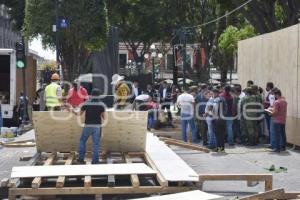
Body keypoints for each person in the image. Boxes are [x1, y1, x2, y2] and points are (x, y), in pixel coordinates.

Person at [76, 88, 106, 164]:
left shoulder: (86, 103)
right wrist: (102, 131)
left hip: (87, 126)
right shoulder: (101, 104)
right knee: (96, 144)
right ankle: (95, 161)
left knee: (82, 141)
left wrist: (71, 111)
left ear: (91, 95)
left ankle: (81, 159)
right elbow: (104, 118)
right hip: (97, 127)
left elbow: (79, 114)